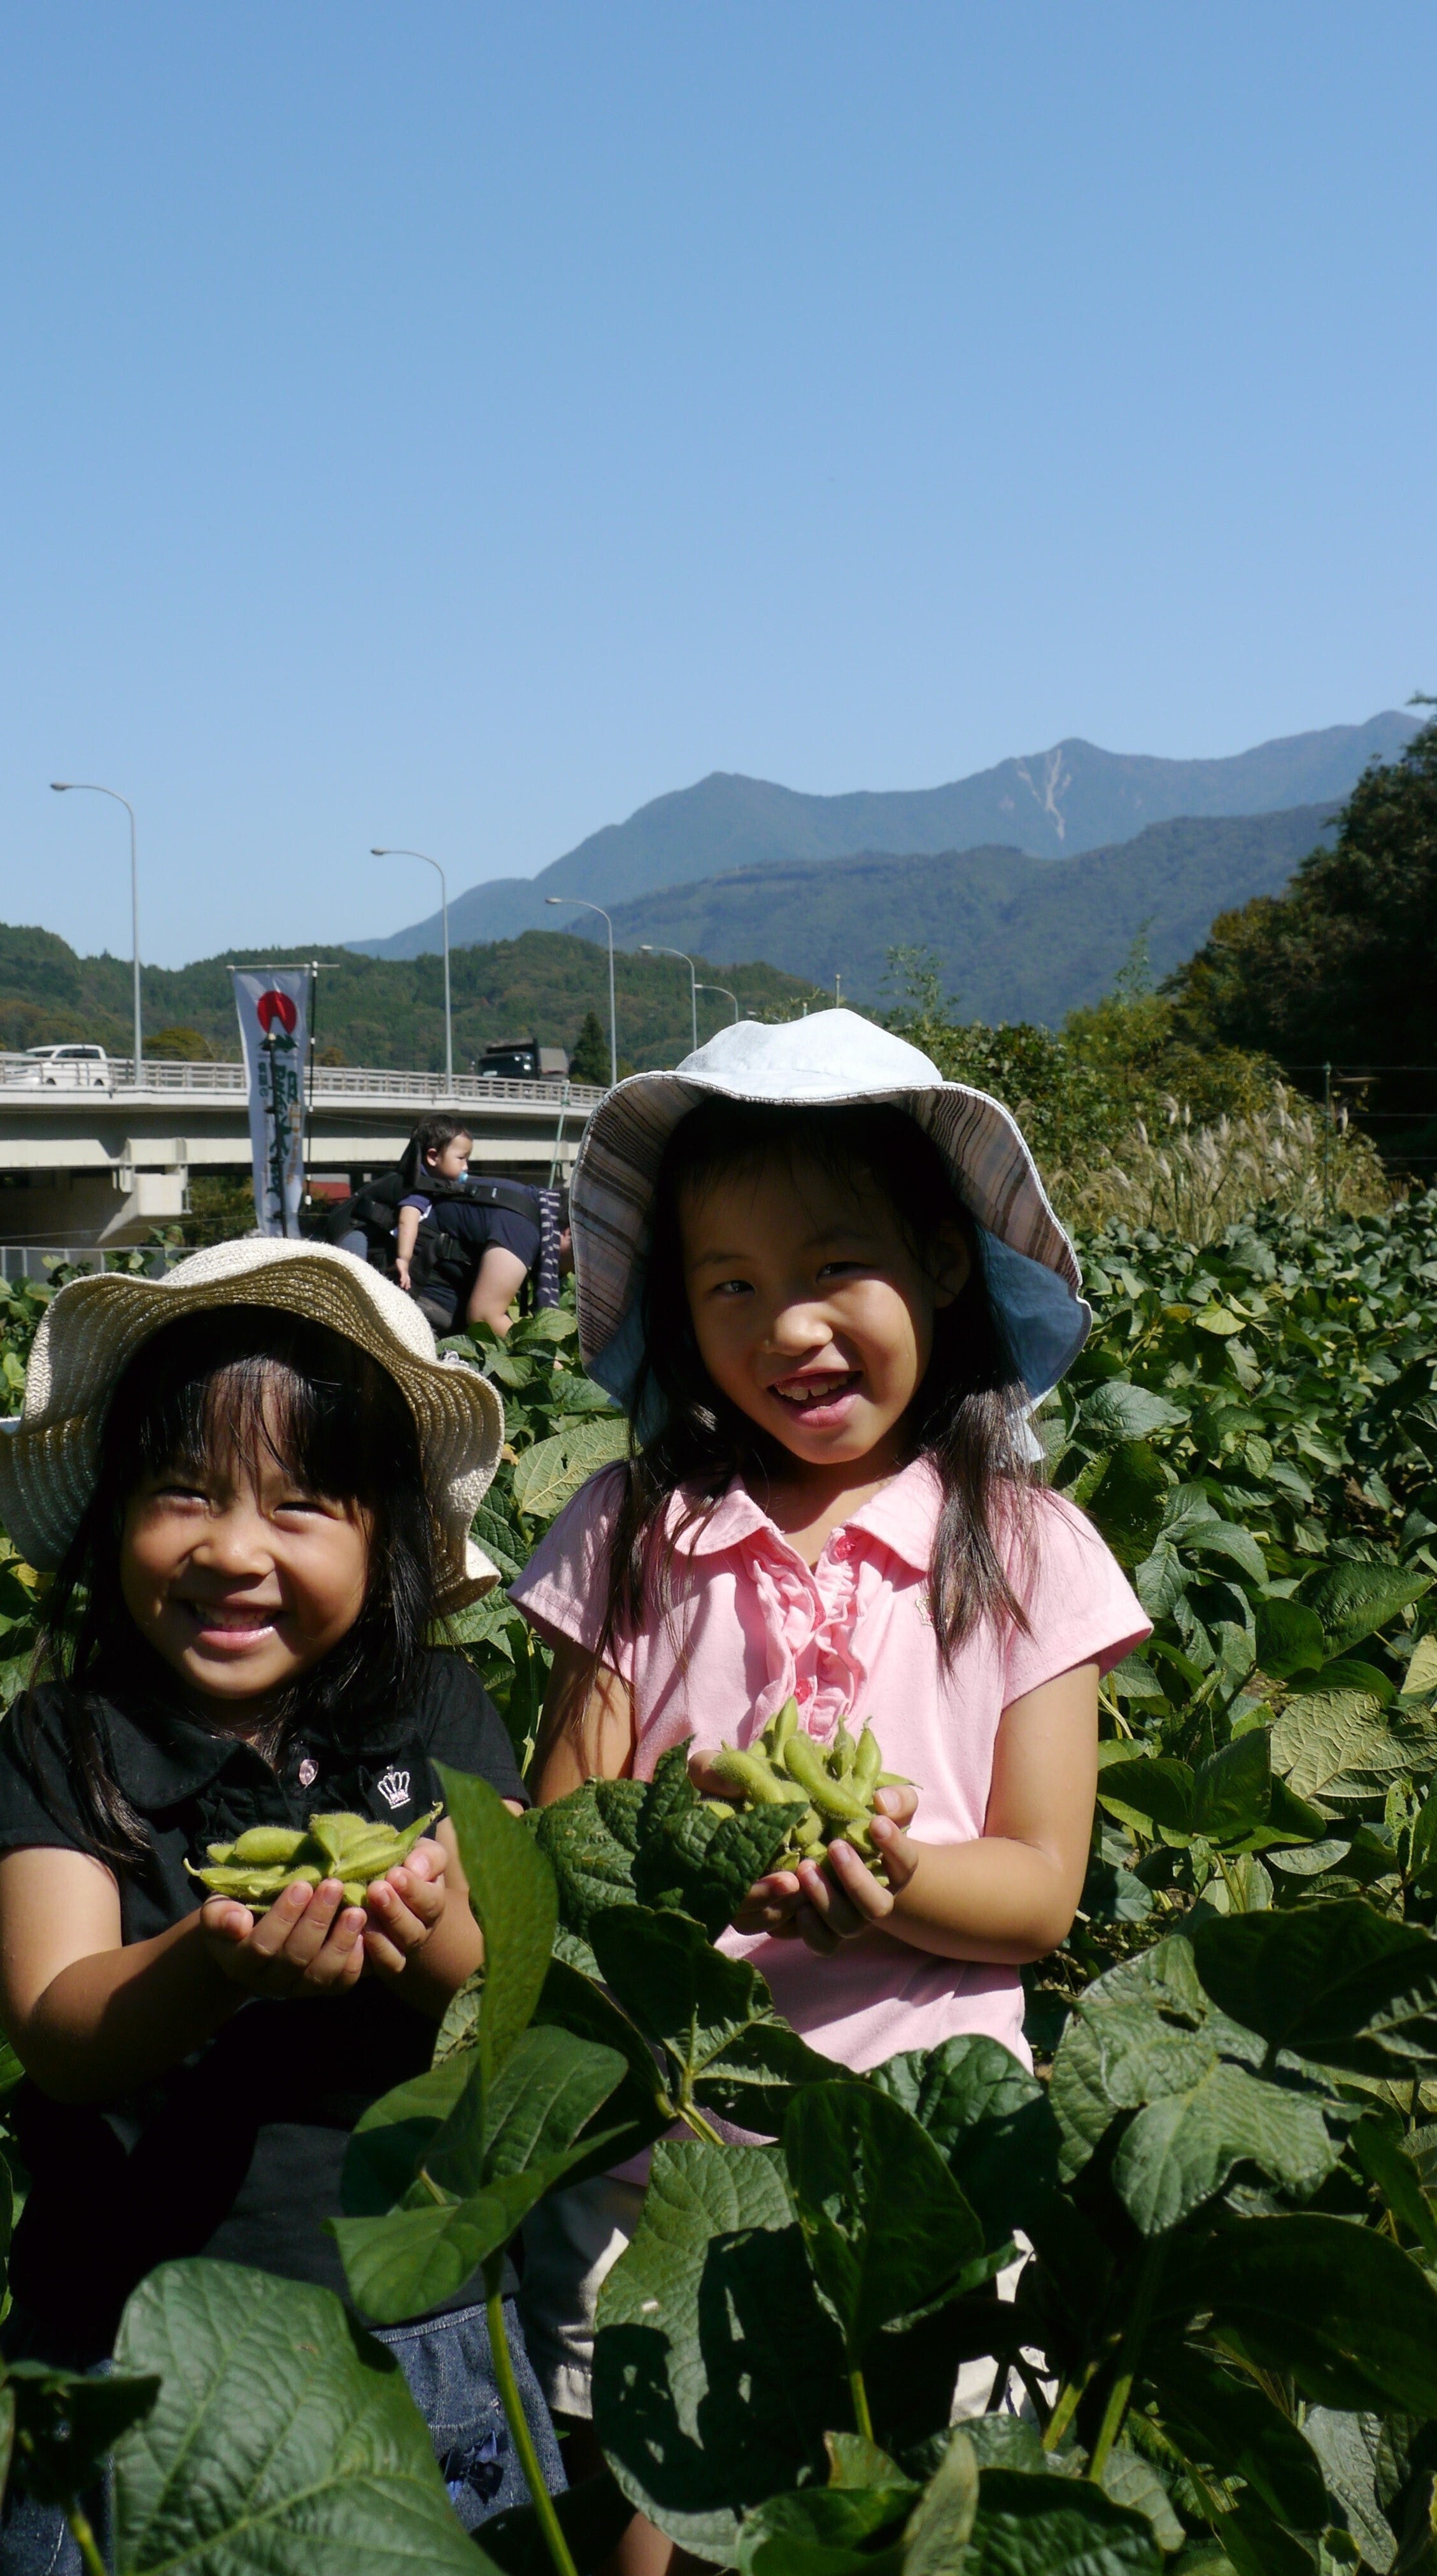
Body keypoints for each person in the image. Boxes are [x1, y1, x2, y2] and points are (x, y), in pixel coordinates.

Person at [508, 1010, 1149, 2569]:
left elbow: (1040, 1890)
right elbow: (557, 1844)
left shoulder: (1025, 1545)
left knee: (911, 2517)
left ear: (939, 1265)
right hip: (676, 2153)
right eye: (730, 1286)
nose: (785, 1326)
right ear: (678, 1310)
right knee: (671, 2528)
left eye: (830, 1269)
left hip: (931, 2148)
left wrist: (894, 1873)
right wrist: (679, 1866)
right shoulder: (636, 1529)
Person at [0, 1237, 565, 2571]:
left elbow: (507, 1988)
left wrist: (418, 1933)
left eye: (300, 1507)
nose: (232, 1550)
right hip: (120, 2341)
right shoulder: (65, 1740)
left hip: (411, 2328)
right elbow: (61, 2026)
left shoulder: (435, 1713)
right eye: (182, 1493)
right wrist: (211, 1959)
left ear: (386, 1538)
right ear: (116, 1512)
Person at [394, 1115, 541, 1336]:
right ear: (433, 1157)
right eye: (461, 1158)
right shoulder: (420, 1190)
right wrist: (403, 1260)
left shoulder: (440, 1187)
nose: (466, 1166)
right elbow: (408, 1220)